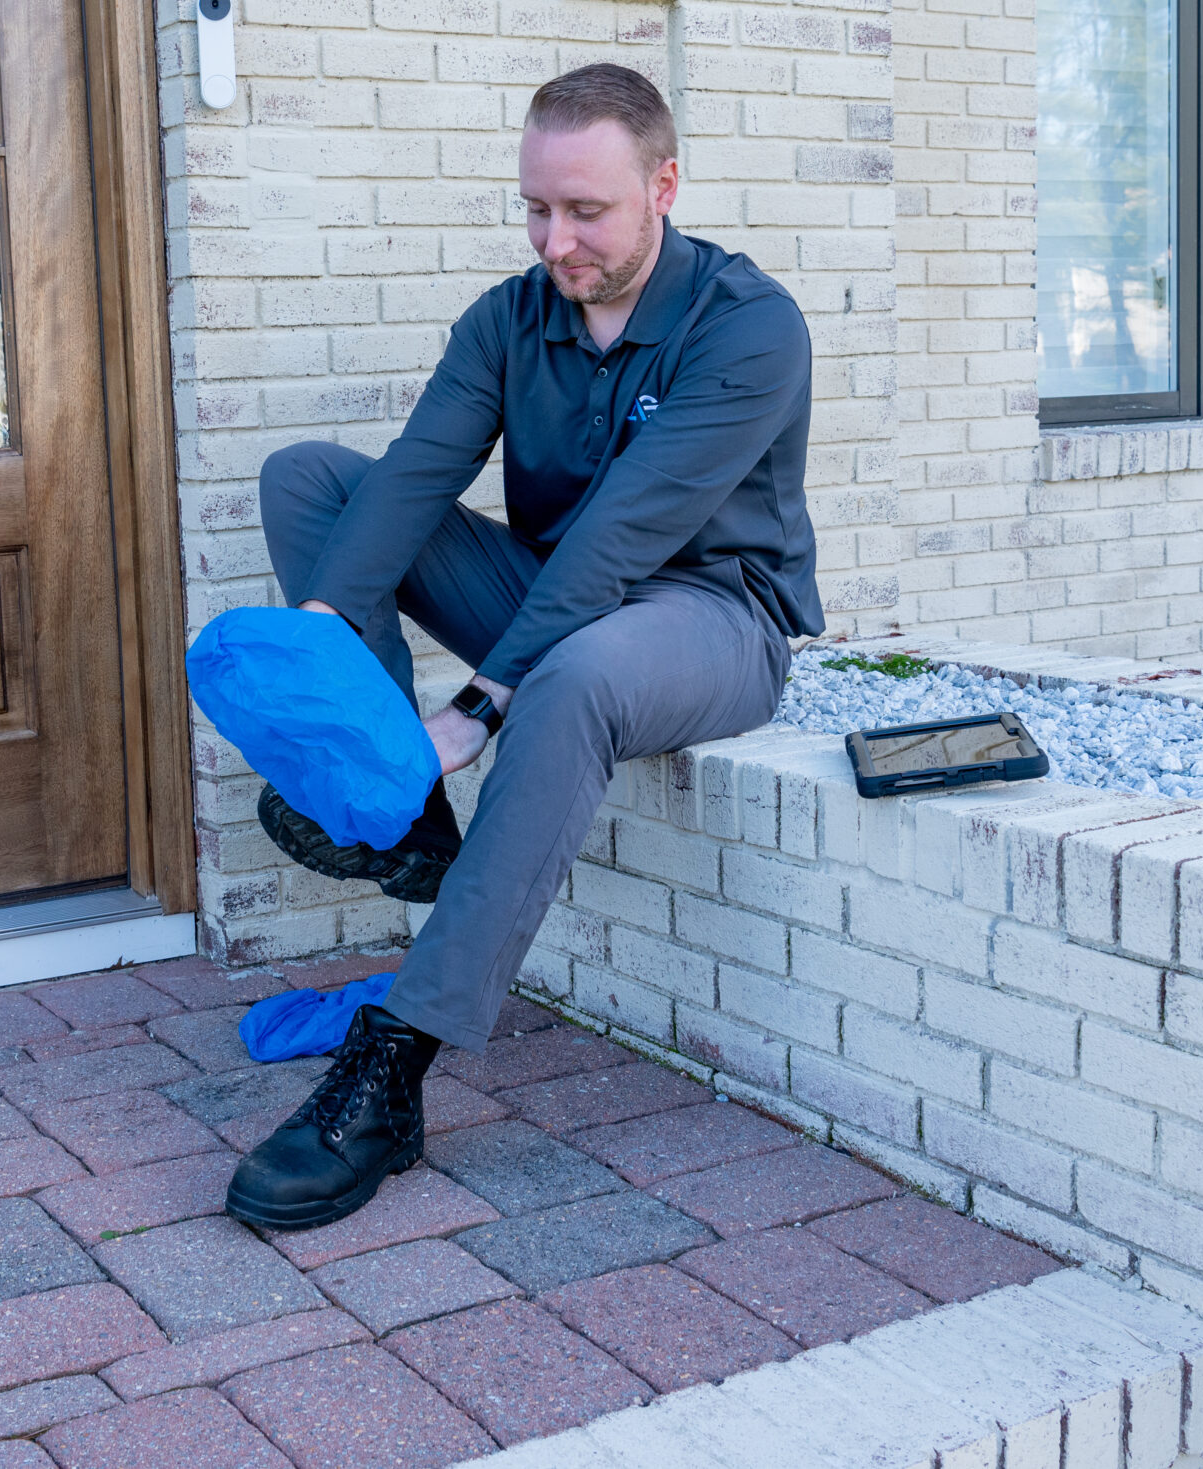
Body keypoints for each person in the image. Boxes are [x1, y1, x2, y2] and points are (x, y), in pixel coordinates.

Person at [225, 63, 823, 1231]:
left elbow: (620, 534)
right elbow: (411, 481)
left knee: (578, 676)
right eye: (535, 209)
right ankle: (406, 824)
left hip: (709, 618)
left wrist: (479, 703)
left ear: (664, 184)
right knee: (310, 481)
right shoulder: (511, 318)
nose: (556, 240)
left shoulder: (748, 327)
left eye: (586, 211)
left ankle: (393, 1070)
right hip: (554, 593)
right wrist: (322, 639)